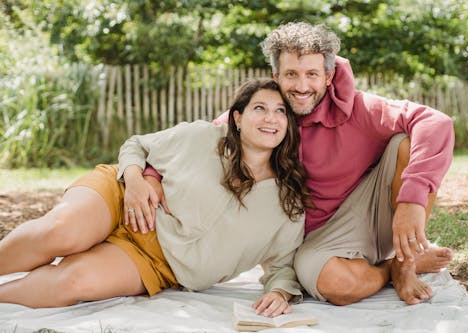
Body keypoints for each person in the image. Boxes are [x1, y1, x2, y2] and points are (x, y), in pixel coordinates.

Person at [141, 22, 455, 306]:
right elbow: (207, 140)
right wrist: (153, 175)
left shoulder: (361, 109)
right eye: (291, 74)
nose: (301, 86)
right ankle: (388, 268)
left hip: (364, 213)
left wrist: (411, 200)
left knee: (407, 141)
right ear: (277, 76)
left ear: (328, 76)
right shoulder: (268, 115)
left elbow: (435, 121)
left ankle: (405, 265)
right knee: (331, 283)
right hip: (305, 240)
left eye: (312, 74)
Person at [0, 79, 311, 317]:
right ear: (238, 118)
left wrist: (280, 294)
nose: (271, 118)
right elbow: (137, 145)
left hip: (157, 261)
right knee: (60, 232)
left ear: (288, 125)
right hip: (122, 197)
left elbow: (283, 265)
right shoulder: (202, 136)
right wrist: (134, 179)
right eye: (260, 108)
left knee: (74, 282)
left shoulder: (288, 202)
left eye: (280, 112)